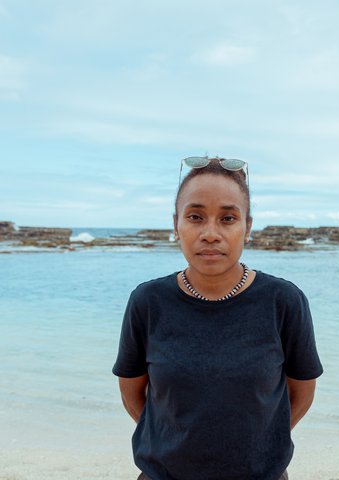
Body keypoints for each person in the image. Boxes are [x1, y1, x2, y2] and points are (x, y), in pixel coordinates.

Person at [112, 156, 323, 480]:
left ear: (247, 227)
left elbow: (302, 393)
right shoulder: (148, 302)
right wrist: (176, 446)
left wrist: (258, 447)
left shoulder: (283, 301)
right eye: (195, 216)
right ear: (176, 225)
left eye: (227, 218)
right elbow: (131, 393)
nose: (210, 234)